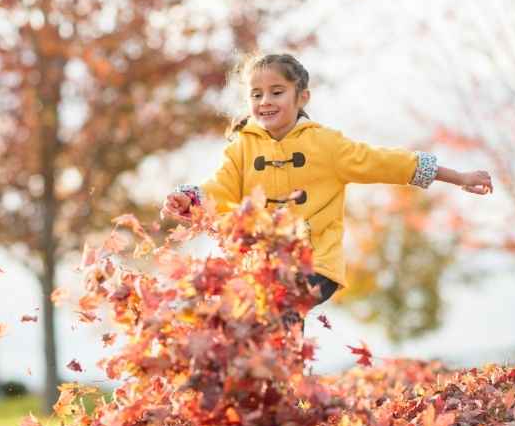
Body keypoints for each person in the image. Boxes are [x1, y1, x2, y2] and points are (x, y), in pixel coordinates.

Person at [161, 52, 493, 308]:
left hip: (315, 263)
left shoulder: (327, 145)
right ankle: (283, 392)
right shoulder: (242, 147)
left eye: (276, 92)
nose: (265, 102)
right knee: (258, 326)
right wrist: (189, 198)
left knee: (282, 308)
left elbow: (390, 163)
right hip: (262, 264)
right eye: (257, 94)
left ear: (302, 97)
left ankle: (287, 384)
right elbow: (220, 187)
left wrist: (458, 176)